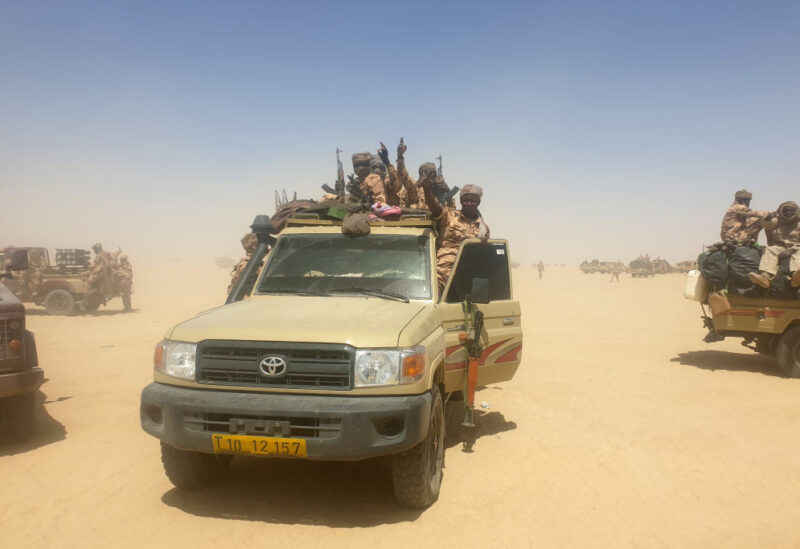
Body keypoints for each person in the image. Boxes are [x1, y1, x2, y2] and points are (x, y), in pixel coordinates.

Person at [421, 174, 489, 293]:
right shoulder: (449, 215)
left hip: (468, 274)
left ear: (478, 202)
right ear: (461, 201)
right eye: (465, 200)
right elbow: (434, 208)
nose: (469, 203)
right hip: (443, 272)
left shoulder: (483, 228)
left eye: (472, 201)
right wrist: (427, 190)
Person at [749, 201, 800, 288]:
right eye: (786, 211)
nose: (788, 213)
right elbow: (767, 225)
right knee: (769, 250)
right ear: (781, 212)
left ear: (795, 211)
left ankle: (796, 276)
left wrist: (792, 250)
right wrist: (768, 218)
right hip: (779, 247)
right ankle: (764, 277)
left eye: (791, 210)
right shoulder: (778, 221)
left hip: (796, 247)